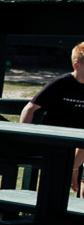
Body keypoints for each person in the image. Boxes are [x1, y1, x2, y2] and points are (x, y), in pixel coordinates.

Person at [20, 42, 84, 192]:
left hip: (78, 143)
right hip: (54, 139)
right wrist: (23, 138)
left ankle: (74, 171)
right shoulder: (60, 83)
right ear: (77, 65)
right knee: (50, 184)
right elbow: (29, 109)